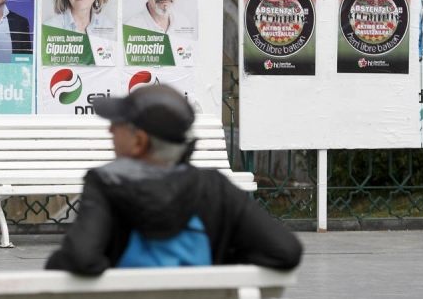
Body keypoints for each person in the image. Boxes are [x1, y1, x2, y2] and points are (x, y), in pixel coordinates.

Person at [45, 84, 302, 275]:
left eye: (119, 123)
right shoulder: (215, 188)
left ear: (139, 141)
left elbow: (81, 257)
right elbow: (286, 251)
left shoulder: (106, 184)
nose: (111, 129)